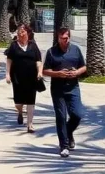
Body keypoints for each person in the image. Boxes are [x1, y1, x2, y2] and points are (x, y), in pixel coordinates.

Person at [43, 27, 87, 158]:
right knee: (61, 117)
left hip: (73, 88)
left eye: (67, 38)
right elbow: (45, 71)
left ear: (69, 37)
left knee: (77, 114)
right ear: (58, 38)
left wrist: (77, 72)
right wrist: (58, 73)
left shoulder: (75, 50)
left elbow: (84, 66)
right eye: (62, 38)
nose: (65, 41)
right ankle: (64, 145)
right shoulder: (51, 52)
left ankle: (68, 132)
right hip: (58, 90)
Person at [5, 24, 42, 133]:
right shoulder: (13, 46)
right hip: (17, 76)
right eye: (19, 32)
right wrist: (7, 74)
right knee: (18, 101)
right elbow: (9, 60)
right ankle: (20, 112)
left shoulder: (33, 46)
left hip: (31, 77)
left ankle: (30, 124)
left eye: (22, 32)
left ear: (28, 33)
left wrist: (39, 72)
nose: (20, 34)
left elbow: (38, 60)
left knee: (31, 101)